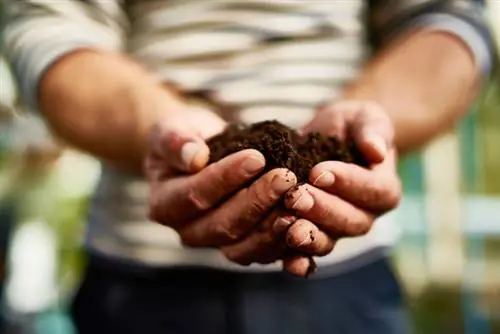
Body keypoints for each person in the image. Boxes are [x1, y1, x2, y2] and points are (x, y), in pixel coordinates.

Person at [3, 1, 495, 333]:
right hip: (141, 282)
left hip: (347, 286)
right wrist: (170, 132)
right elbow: (49, 25)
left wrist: (369, 132)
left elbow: (448, 20)